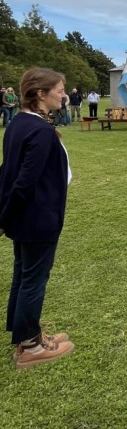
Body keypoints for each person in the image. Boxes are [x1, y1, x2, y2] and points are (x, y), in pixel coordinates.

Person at [0, 67, 75, 369]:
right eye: (58, 89)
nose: (63, 94)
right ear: (40, 94)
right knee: (33, 278)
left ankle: (24, 335)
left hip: (26, 219)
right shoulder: (40, 132)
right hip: (37, 218)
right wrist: (4, 218)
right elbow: (21, 182)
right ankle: (30, 346)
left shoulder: (19, 123)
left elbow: (8, 173)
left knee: (24, 274)